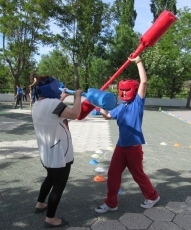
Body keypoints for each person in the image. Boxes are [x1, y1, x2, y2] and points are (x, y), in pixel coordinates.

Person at [95, 56, 160, 213]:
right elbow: (108, 116)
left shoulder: (137, 103)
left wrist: (138, 61)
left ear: (134, 90)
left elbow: (144, 81)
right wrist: (100, 108)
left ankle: (152, 196)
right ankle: (111, 203)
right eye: (121, 90)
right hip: (120, 146)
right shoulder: (121, 107)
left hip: (133, 147)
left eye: (127, 90)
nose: (124, 93)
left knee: (138, 175)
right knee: (112, 174)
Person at [32, 75, 82, 228]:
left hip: (46, 153)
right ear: (52, 88)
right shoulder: (53, 104)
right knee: (58, 185)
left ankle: (40, 203)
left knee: (50, 178)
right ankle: (50, 218)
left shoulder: (37, 104)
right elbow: (75, 114)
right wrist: (78, 96)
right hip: (59, 154)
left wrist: (62, 97)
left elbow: (52, 111)